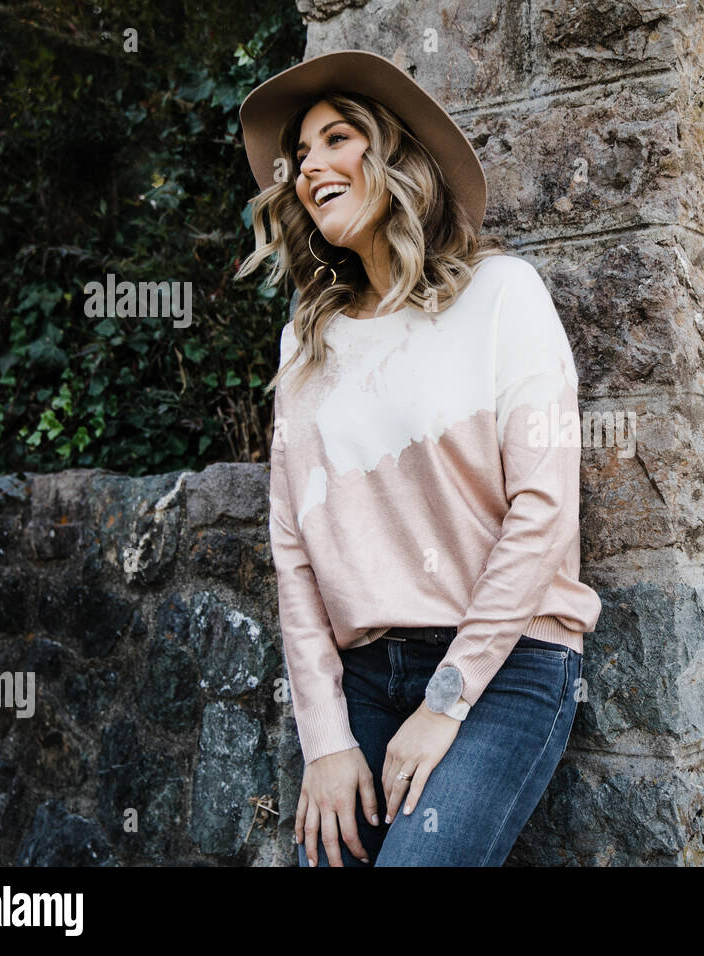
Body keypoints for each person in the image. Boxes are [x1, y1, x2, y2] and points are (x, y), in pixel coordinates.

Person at [236, 50, 602, 866]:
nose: (309, 169)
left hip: (505, 665)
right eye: (298, 157)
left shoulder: (503, 295)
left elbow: (544, 515)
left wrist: (447, 699)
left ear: (393, 154)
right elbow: (292, 548)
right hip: (362, 677)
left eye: (337, 138)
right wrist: (324, 739)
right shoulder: (308, 340)